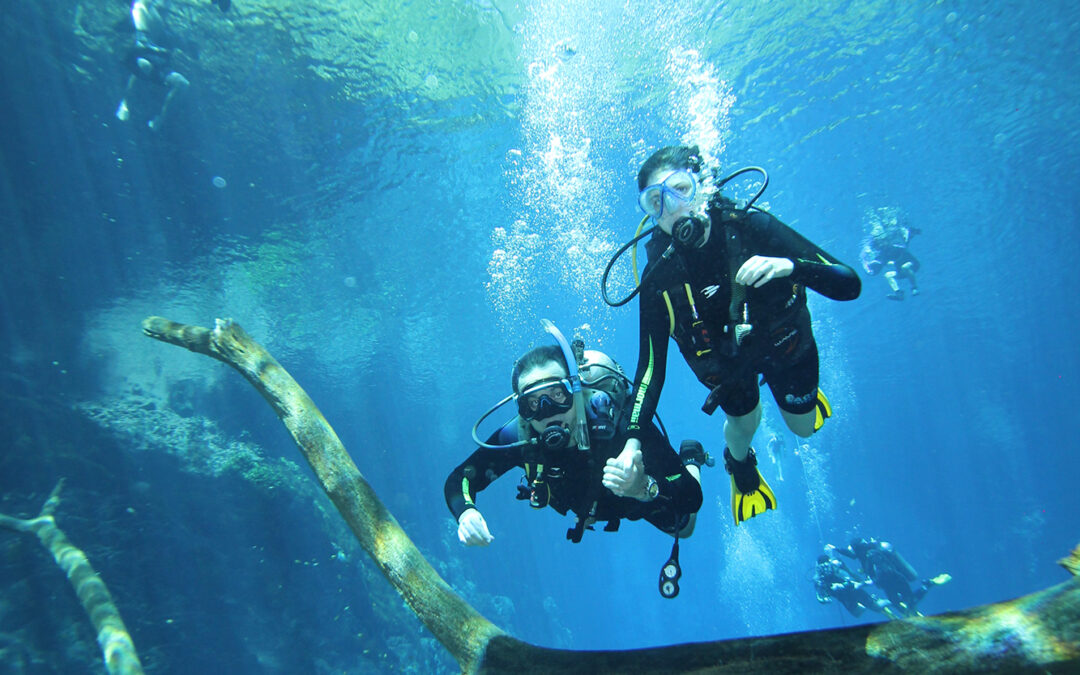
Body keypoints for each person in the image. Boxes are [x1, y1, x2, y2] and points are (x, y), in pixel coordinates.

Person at [612, 145, 861, 526]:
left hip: (786, 346)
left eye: (681, 188)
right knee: (744, 426)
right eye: (656, 202)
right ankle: (739, 464)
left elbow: (848, 284)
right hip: (726, 367)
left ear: (704, 185)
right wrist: (632, 442)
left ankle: (801, 402)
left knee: (803, 429)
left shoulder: (750, 226)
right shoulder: (657, 279)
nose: (673, 207)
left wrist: (789, 266)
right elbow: (649, 371)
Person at [445, 322, 706, 593]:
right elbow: (460, 478)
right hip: (585, 505)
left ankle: (692, 459)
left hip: (635, 500)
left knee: (686, 527)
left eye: (557, 394)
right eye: (533, 403)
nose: (548, 412)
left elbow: (690, 497)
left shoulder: (619, 421)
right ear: (522, 410)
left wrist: (642, 487)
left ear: (576, 390)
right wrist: (465, 511)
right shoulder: (520, 435)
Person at [114, 0, 227, 130]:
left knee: (183, 84)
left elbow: (190, 51)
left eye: (167, 6)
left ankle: (159, 119)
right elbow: (135, 11)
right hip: (142, 59)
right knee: (145, 66)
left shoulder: (169, 33)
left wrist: (192, 48)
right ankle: (125, 103)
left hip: (161, 68)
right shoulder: (144, 14)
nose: (165, 7)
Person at [834, 537, 951, 618]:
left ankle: (928, 584)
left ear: (858, 549)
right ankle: (911, 614)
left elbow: (883, 574)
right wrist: (835, 548)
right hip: (889, 584)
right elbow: (852, 555)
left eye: (854, 550)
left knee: (910, 602)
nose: (854, 554)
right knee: (897, 603)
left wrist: (863, 584)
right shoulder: (866, 554)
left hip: (896, 581)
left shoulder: (872, 555)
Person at [859, 207, 921, 301]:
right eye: (879, 243)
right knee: (888, 275)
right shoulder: (883, 254)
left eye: (882, 241)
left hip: (913, 264)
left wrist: (913, 232)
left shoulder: (895, 245)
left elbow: (906, 238)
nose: (881, 244)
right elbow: (878, 266)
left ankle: (914, 288)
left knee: (905, 267)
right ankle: (899, 293)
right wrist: (870, 268)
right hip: (901, 271)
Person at [813, 552, 895, 619]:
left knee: (866, 609)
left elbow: (820, 596)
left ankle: (893, 601)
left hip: (848, 594)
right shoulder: (830, 570)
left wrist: (827, 597)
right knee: (868, 608)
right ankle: (890, 602)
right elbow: (851, 575)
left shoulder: (822, 575)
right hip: (849, 593)